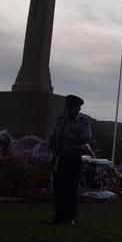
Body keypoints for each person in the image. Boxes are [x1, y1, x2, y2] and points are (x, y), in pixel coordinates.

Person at [48, 94, 91, 225]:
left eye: (76, 107)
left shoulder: (83, 122)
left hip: (73, 156)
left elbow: (86, 138)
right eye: (71, 107)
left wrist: (69, 138)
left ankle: (70, 217)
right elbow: (52, 136)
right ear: (67, 107)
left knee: (71, 187)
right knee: (58, 187)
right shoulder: (60, 121)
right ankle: (59, 216)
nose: (73, 109)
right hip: (59, 156)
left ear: (79, 109)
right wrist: (53, 150)